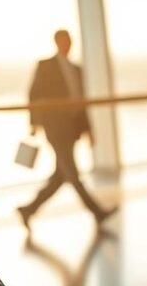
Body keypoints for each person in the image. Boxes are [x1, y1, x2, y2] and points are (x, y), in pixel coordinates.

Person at [18, 30, 115, 228]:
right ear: (56, 42)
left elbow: (81, 102)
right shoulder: (45, 66)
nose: (68, 44)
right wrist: (34, 124)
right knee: (72, 174)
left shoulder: (76, 69)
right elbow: (33, 95)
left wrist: (89, 130)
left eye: (69, 40)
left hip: (72, 129)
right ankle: (97, 212)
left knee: (60, 176)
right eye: (64, 40)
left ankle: (28, 209)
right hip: (55, 127)